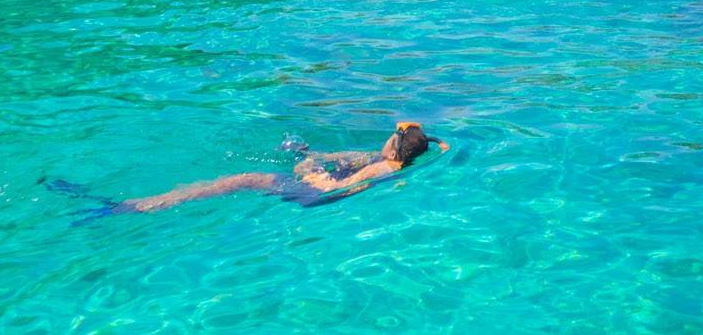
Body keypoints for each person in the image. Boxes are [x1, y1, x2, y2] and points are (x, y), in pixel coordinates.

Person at [58, 122, 445, 215]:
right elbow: (334, 156)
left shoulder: (382, 170)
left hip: (315, 195)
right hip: (322, 184)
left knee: (242, 179)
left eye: (392, 134)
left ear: (395, 146)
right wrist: (311, 155)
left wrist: (310, 171)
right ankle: (143, 203)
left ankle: (138, 205)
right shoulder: (385, 158)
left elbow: (334, 189)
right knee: (302, 156)